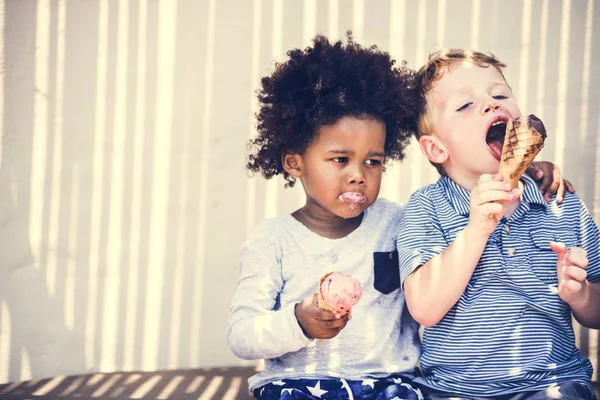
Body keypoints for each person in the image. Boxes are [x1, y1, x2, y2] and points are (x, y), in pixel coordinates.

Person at [397, 48, 599, 400]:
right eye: (465, 106)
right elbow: (425, 308)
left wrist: (579, 294)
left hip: (552, 384)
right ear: (436, 149)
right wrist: (477, 229)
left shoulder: (560, 203)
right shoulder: (427, 207)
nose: (491, 105)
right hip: (451, 390)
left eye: (500, 95)